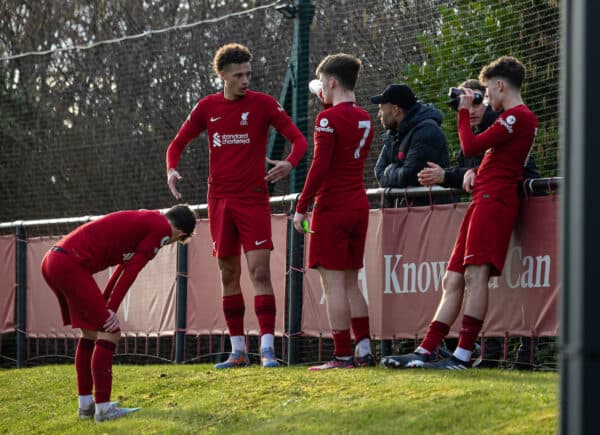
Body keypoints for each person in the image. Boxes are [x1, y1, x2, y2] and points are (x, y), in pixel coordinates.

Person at [382, 55, 538, 369]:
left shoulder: (517, 117)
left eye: (486, 92)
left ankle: (463, 354)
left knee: (475, 276)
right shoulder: (509, 118)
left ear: (498, 85)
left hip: (495, 201)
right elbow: (482, 155)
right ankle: (426, 349)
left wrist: (464, 112)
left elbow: (469, 146)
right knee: (452, 279)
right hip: (482, 199)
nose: (486, 99)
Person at [165, 43, 308, 369]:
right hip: (219, 201)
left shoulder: (264, 104)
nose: (246, 80)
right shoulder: (207, 107)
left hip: (253, 198)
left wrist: (289, 163)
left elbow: (300, 140)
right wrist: (172, 168)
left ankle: (269, 350)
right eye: (239, 75)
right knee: (228, 273)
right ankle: (238, 350)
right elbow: (177, 144)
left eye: (248, 74)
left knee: (260, 271)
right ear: (222, 76)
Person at [40, 205, 197, 422]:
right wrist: (110, 310)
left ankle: (86, 406)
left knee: (91, 333)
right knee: (111, 332)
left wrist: (106, 305)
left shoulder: (150, 221)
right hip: (69, 264)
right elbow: (132, 271)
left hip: (53, 260)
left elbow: (123, 267)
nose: (168, 244)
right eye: (176, 241)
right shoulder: (162, 229)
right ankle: (103, 409)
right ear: (180, 234)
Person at [293, 53, 375, 370]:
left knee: (334, 285)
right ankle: (364, 351)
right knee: (352, 282)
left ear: (332, 82)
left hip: (332, 206)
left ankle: (342, 356)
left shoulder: (326, 120)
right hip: (359, 204)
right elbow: (340, 118)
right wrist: (326, 98)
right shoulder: (365, 117)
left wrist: (302, 207)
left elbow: (320, 166)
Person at [372, 84, 450, 206]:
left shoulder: (427, 131)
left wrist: (390, 169)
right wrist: (396, 169)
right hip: (409, 210)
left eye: (381, 109)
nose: (379, 115)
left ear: (395, 110)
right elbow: (379, 170)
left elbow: (409, 175)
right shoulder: (393, 133)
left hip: (431, 211)